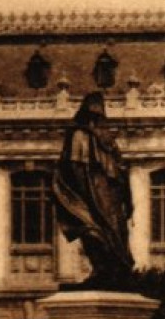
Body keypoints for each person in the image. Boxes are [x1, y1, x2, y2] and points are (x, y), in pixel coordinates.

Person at [51, 92, 135, 288]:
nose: (95, 121)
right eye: (94, 117)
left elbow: (75, 166)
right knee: (100, 232)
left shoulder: (84, 135)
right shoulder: (100, 138)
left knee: (98, 231)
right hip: (104, 194)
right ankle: (106, 271)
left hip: (99, 194)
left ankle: (107, 271)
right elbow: (79, 166)